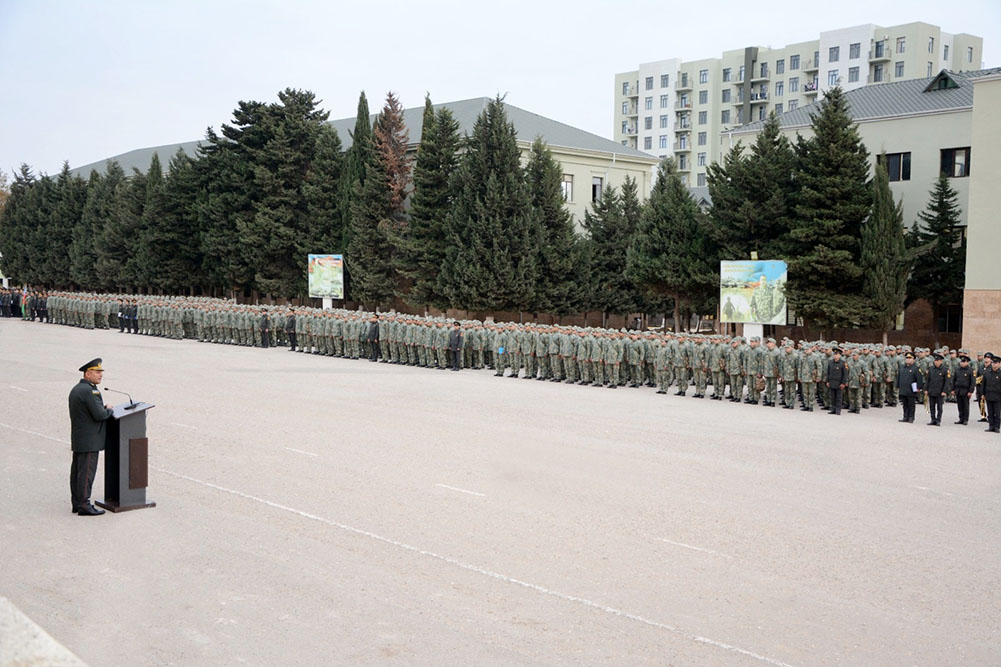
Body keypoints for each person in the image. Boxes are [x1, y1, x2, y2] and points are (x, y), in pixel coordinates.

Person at [69, 358, 114, 516]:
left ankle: (77, 503)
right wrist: (109, 409)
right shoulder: (90, 391)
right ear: (87, 374)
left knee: (78, 473)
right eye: (97, 372)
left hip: (80, 438)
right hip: (90, 440)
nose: (100, 375)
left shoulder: (77, 389)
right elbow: (100, 415)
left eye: (101, 372)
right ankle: (84, 504)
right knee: (86, 474)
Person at [925, 352, 950, 426]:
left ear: (941, 361)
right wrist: (926, 389)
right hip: (931, 390)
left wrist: (944, 391)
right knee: (932, 407)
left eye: (937, 360)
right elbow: (928, 380)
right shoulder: (931, 369)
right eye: (935, 360)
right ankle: (933, 419)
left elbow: (947, 382)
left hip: (940, 391)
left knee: (939, 407)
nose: (936, 362)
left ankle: (938, 420)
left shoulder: (945, 370)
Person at [896, 352, 923, 424]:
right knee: (905, 404)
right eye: (907, 358)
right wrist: (897, 386)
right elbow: (898, 377)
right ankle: (905, 417)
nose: (908, 360)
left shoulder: (916, 368)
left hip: (911, 390)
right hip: (903, 389)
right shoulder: (902, 367)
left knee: (911, 404)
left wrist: (919, 387)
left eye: (910, 358)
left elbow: (919, 379)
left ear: (913, 359)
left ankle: (911, 417)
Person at [952, 354, 974, 425]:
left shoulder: (970, 370)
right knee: (960, 405)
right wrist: (952, 389)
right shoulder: (957, 369)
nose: (962, 363)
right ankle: (961, 418)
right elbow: (953, 380)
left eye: (964, 361)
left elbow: (972, 382)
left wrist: (970, 391)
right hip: (958, 390)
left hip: (966, 390)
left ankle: (965, 419)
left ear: (967, 362)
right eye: (961, 361)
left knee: (965, 405)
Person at [825, 348, 848, 415]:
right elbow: (828, 372)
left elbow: (845, 374)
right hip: (832, 382)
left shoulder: (843, 363)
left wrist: (843, 383)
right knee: (832, 397)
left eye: (836, 354)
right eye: (834, 354)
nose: (835, 356)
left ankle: (838, 410)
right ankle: (833, 409)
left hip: (839, 383)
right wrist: (827, 381)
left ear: (840, 355)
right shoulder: (830, 362)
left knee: (839, 397)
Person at [983, 353, 1001, 434]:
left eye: (996, 363)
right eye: (993, 363)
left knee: (997, 413)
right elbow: (984, 384)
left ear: (999, 364)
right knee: (990, 412)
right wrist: (983, 394)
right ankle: (991, 426)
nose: (994, 365)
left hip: (998, 396)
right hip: (989, 395)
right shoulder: (987, 373)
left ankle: (997, 427)